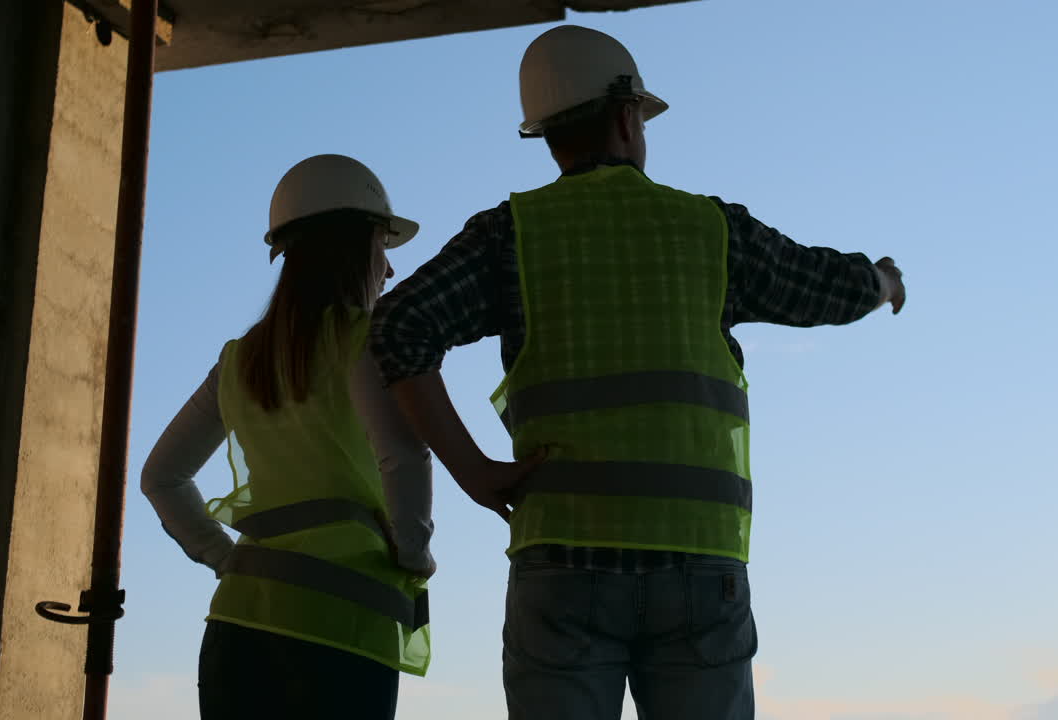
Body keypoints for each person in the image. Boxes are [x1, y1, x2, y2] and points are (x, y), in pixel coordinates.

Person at [371, 25, 907, 720]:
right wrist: (884, 281)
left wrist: (474, 470)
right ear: (628, 117)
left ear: (548, 136)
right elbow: (825, 287)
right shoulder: (713, 231)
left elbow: (397, 328)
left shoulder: (509, 235)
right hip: (698, 564)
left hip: (561, 558)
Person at [141, 154, 434, 719]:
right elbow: (402, 454)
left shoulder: (238, 362)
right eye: (382, 247)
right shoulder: (365, 340)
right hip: (342, 632)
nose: (389, 270)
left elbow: (162, 477)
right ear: (354, 247)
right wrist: (414, 550)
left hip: (237, 627)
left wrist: (222, 556)